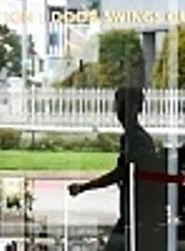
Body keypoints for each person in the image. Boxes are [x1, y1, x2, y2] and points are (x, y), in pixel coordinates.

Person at [67, 85, 156, 233]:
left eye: (119, 104)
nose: (116, 110)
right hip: (135, 213)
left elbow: (121, 173)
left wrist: (83, 187)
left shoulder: (134, 138)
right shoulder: (134, 137)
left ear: (133, 108)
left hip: (136, 215)